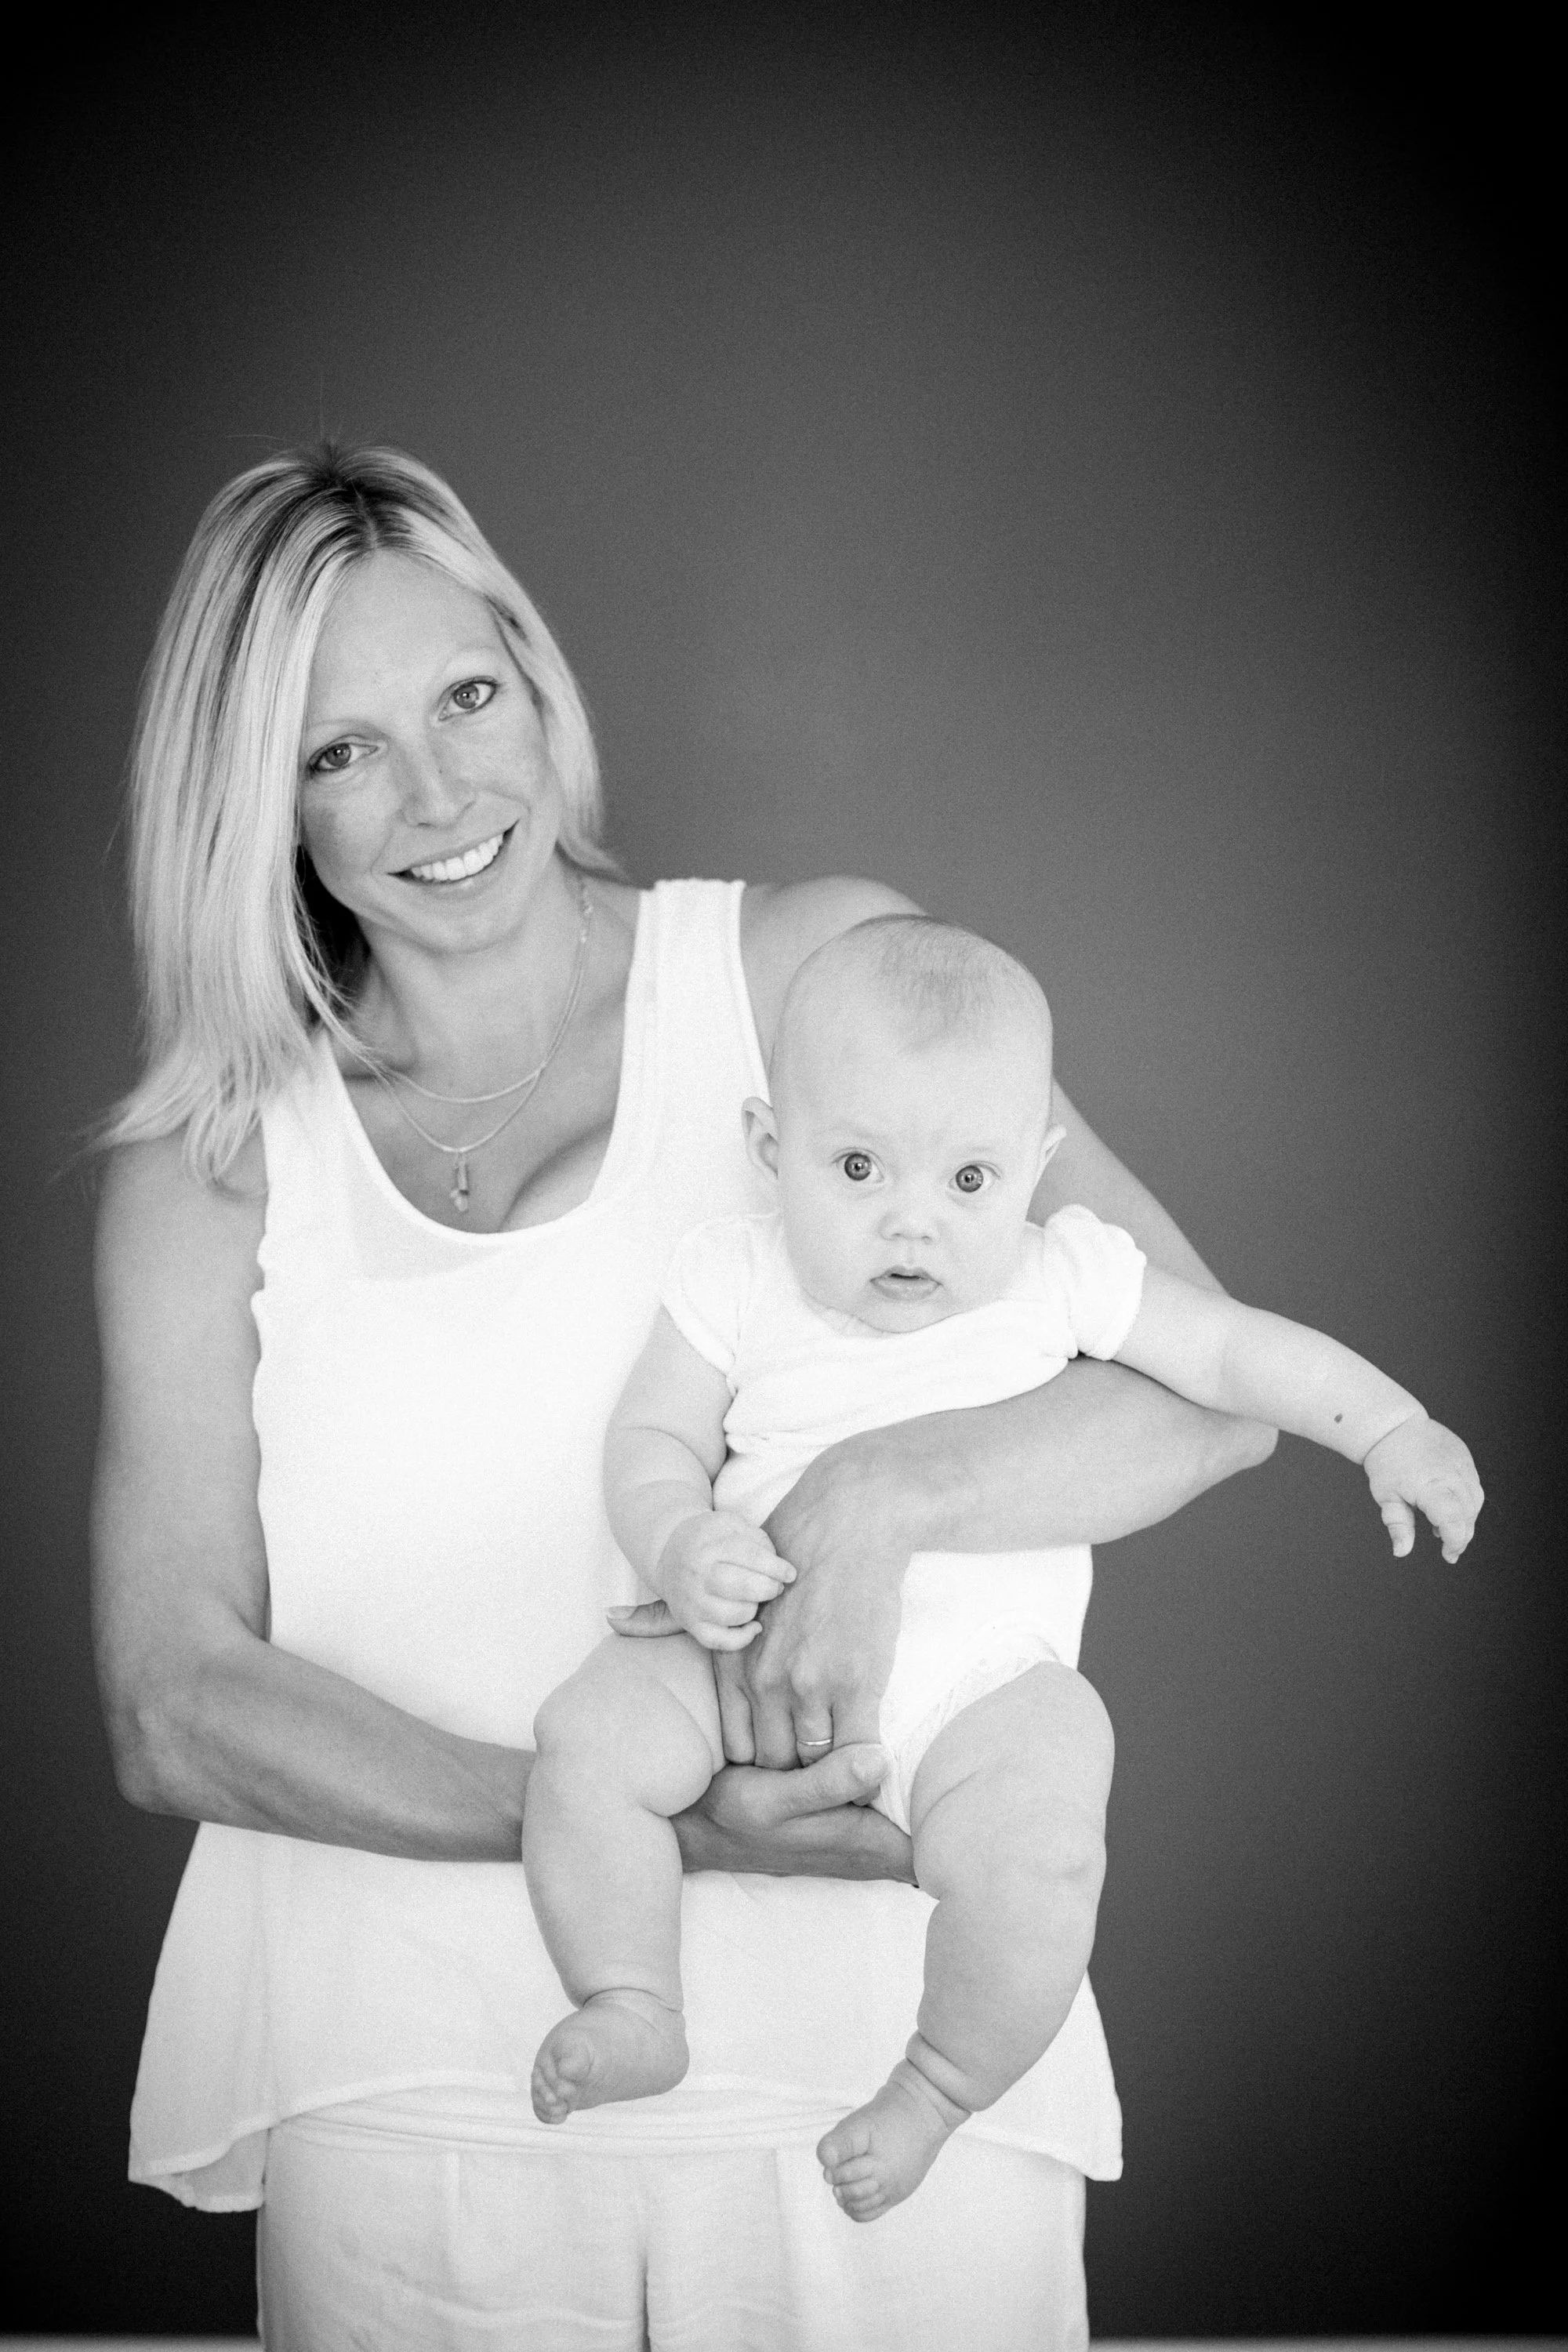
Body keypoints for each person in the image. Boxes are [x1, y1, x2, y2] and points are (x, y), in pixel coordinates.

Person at [92, 442, 1275, 2351]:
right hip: (405, 2099)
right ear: (257, 805)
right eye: (340, 749)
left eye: (467, 697)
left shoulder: (810, 971)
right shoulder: (213, 1162)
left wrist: (881, 1496)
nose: (441, 792)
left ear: (538, 687)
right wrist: (656, 1820)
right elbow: (175, 1703)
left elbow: (1200, 1386)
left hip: (882, 2075)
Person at [523, 916, 1481, 2221]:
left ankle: (934, 2087)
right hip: (735, 1648)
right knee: (584, 1739)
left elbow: (1239, 1361)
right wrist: (682, 1541)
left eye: (968, 1182)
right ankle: (632, 1998)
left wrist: (1386, 1426)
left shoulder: (1066, 1274)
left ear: (1035, 1169)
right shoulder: (735, 1274)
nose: (912, 1225)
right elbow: (652, 1442)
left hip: (980, 1687)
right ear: (770, 1150)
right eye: (857, 1167)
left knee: (1048, 1838)